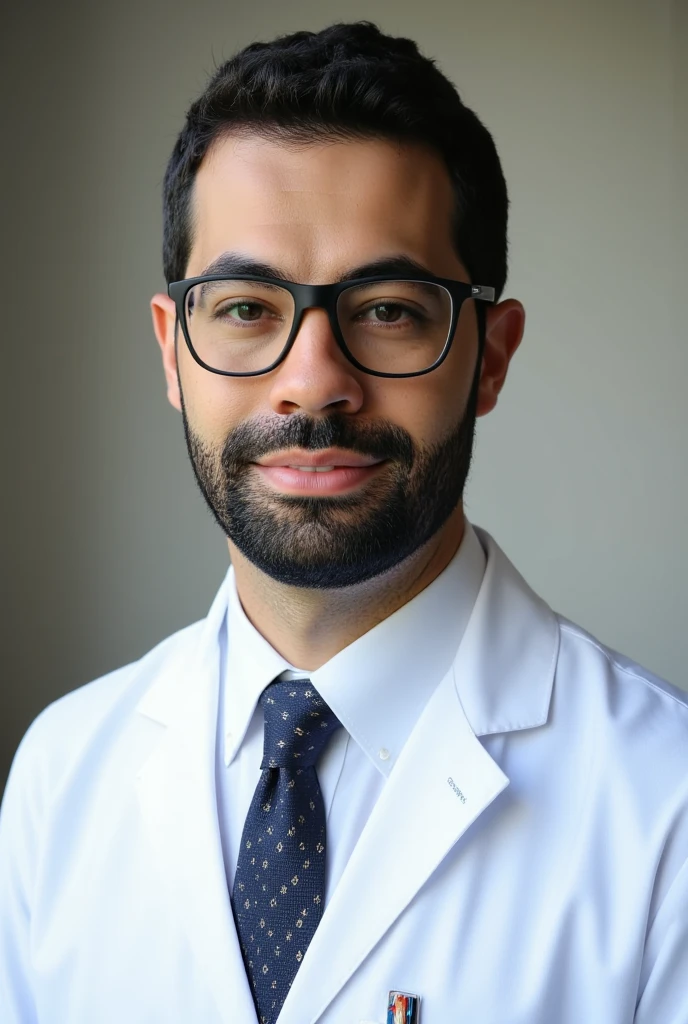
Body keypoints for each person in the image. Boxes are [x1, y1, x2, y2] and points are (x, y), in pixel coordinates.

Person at [0, 19, 686, 1024]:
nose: (313, 382)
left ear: (489, 356)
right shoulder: (61, 774)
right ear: (170, 350)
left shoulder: (666, 806)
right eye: (244, 308)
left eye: (388, 308)